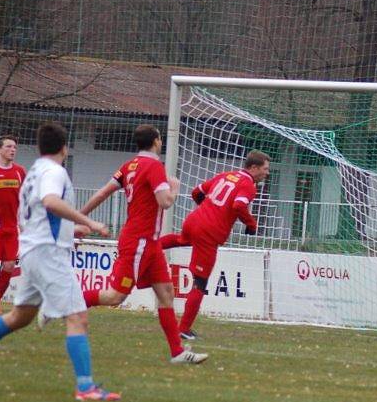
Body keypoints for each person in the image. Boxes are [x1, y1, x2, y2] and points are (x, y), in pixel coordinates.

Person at [0, 122, 120, 401]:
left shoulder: (32, 174)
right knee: (77, 316)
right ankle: (86, 388)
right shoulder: (54, 171)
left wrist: (70, 229)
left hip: (31, 250)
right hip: (47, 254)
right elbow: (51, 202)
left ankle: (86, 387)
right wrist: (87, 221)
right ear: (64, 148)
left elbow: (35, 212)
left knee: (19, 317)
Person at [77, 124, 207, 364]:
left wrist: (79, 217)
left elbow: (102, 193)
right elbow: (165, 202)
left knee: (166, 293)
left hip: (151, 243)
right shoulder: (154, 166)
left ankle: (177, 352)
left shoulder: (130, 166)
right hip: (138, 241)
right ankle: (64, 301)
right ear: (157, 141)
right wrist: (175, 189)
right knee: (116, 296)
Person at [159, 151, 270, 339]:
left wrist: (208, 210)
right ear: (253, 168)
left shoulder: (226, 175)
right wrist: (251, 224)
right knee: (200, 282)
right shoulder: (248, 185)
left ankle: (146, 246)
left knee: (181, 240)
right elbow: (238, 206)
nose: (267, 173)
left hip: (193, 221)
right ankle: (183, 329)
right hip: (208, 233)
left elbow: (197, 192)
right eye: (265, 169)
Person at [0, 135, 25, 313]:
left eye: (14, 147)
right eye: (8, 146)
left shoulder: (19, 172)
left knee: (9, 266)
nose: (12, 150)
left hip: (11, 228)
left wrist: (24, 224)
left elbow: (25, 199)